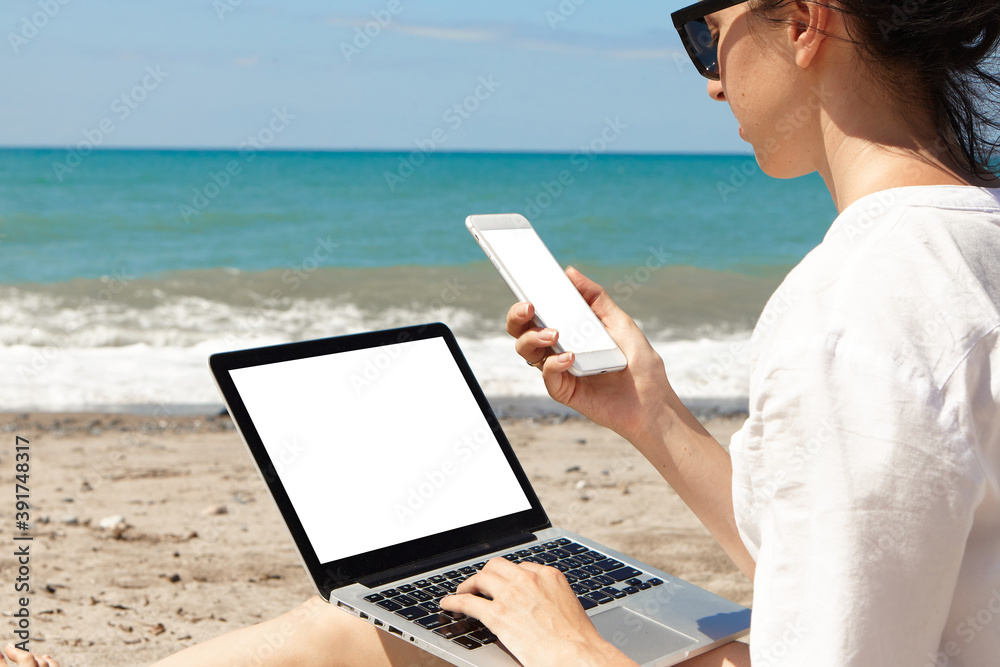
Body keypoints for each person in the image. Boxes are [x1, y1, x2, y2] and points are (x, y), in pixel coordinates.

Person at [7, 0, 1000, 665]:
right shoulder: (966, 243)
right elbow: (852, 562)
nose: (705, 79)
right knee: (381, 625)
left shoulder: (858, 302)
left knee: (390, 633)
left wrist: (573, 649)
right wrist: (646, 411)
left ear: (804, 21)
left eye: (705, 32)